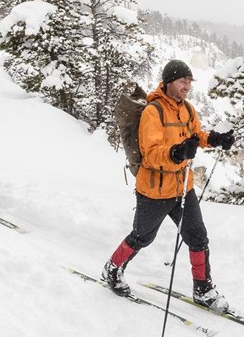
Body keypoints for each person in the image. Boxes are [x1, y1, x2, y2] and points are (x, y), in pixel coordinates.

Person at [101, 60, 236, 311]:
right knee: (142, 237)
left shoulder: (187, 110)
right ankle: (113, 268)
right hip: (154, 189)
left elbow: (197, 136)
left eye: (189, 81)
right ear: (169, 82)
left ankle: (203, 289)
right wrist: (176, 153)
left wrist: (216, 139)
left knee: (197, 237)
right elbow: (150, 153)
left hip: (182, 186)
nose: (187, 86)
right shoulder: (153, 112)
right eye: (183, 81)